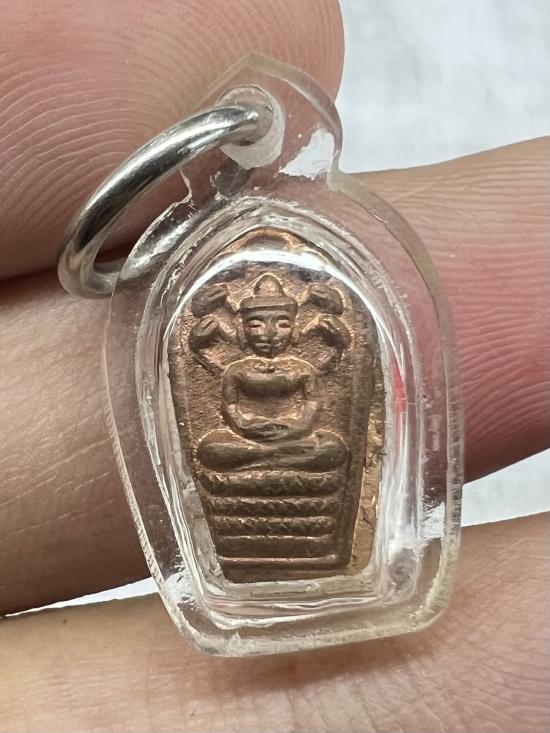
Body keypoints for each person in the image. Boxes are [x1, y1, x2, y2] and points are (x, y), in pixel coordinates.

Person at [0, 1, 548, 731]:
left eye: (279, 325)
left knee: (329, 449)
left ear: (292, 323)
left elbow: (318, 412)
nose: (266, 336)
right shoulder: (228, 361)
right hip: (242, 458)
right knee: (214, 449)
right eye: (255, 326)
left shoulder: (307, 350)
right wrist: (244, 411)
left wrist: (301, 404)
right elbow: (226, 415)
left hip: (301, 453)